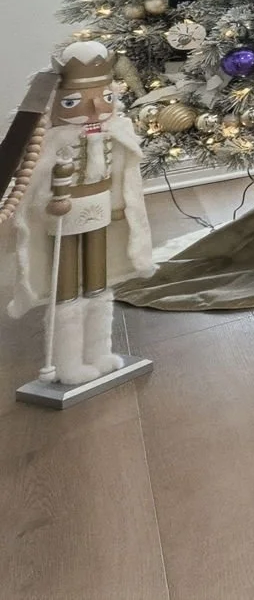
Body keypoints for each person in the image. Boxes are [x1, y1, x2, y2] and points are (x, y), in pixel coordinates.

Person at [3, 41, 155, 384]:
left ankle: (99, 351)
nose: (92, 110)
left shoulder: (116, 133)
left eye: (104, 98)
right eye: (74, 102)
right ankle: (69, 363)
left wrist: (119, 206)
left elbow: (123, 175)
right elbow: (34, 177)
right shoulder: (52, 140)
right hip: (65, 214)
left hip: (100, 208)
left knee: (98, 280)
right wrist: (49, 201)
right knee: (67, 279)